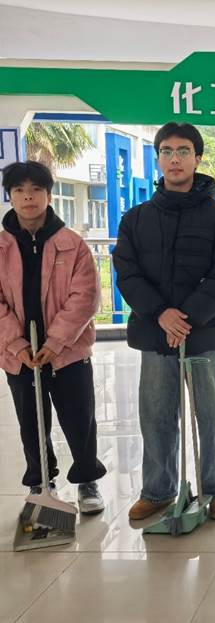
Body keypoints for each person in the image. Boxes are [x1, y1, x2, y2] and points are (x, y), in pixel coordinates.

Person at [113, 122, 215, 522]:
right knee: (156, 415)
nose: (175, 158)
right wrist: (161, 314)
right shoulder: (135, 219)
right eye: (167, 151)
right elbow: (127, 272)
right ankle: (157, 490)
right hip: (155, 332)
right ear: (158, 159)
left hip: (206, 333)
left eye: (183, 151)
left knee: (213, 414)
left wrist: (185, 318)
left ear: (197, 159)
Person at [0, 160, 106, 514]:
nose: (28, 197)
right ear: (10, 196)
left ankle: (87, 480)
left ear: (48, 195)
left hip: (68, 351)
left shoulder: (72, 245)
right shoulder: (1, 247)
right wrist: (16, 344)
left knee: (79, 418)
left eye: (36, 190)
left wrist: (55, 342)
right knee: (31, 421)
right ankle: (40, 482)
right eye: (19, 190)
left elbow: (85, 297)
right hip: (19, 355)